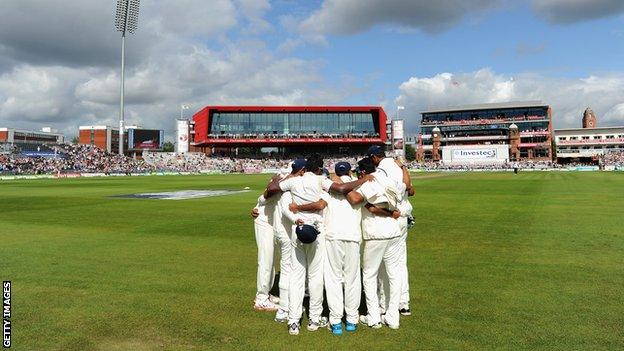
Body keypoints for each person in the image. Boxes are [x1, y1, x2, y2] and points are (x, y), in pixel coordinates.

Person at [265, 154, 372, 336]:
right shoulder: (322, 181)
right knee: (320, 277)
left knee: (300, 277)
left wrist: (287, 180)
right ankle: (319, 319)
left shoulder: (295, 182)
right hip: (322, 233)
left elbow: (272, 188)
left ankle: (296, 320)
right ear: (319, 168)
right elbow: (336, 192)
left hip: (299, 232)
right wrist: (365, 179)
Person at [346, 157, 404, 329]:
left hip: (376, 234)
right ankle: (393, 317)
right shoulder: (388, 179)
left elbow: (355, 199)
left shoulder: (369, 182)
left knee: (370, 275)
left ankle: (374, 317)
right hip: (394, 233)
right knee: (393, 275)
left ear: (363, 173)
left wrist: (342, 187)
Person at [367, 145, 414, 316]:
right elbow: (411, 189)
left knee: (382, 266)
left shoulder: (383, 169)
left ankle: (384, 306)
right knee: (399, 263)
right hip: (403, 218)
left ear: (374, 158)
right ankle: (403, 303)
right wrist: (403, 167)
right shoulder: (397, 165)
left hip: (390, 217)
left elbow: (404, 187)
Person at [271, 160, 306, 323]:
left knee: (288, 268)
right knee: (288, 270)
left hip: (281, 231)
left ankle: (287, 306)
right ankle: (285, 309)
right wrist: (297, 220)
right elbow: (286, 209)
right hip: (286, 232)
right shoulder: (289, 184)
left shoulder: (283, 181)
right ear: (300, 171)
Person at [250, 184, 280, 312]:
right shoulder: (282, 179)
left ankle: (266, 294)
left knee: (271, 260)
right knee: (265, 260)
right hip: (264, 222)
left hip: (271, 222)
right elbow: (267, 193)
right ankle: (261, 299)